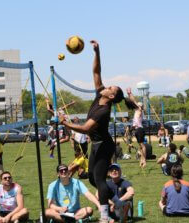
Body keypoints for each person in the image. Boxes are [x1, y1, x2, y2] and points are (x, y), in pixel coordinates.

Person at [59, 40, 135, 222]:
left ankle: (104, 216)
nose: (106, 86)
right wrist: (97, 51)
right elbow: (96, 72)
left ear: (111, 96)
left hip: (104, 146)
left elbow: (85, 129)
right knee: (93, 179)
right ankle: (119, 202)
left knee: (100, 181)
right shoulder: (99, 94)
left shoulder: (103, 111)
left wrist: (66, 123)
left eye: (110, 88)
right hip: (97, 144)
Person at [126, 88, 146, 168]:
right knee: (140, 146)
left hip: (140, 129)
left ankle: (144, 160)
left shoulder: (139, 109)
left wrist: (130, 94)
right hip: (137, 129)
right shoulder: (137, 112)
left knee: (142, 146)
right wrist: (132, 128)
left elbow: (133, 101)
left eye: (137, 104)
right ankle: (142, 160)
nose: (136, 105)